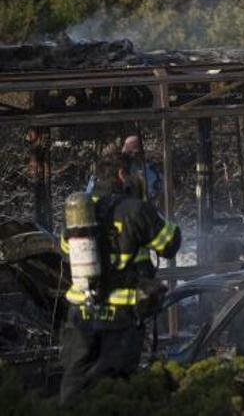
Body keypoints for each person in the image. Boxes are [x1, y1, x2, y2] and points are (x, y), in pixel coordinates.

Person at [59, 152, 181, 405]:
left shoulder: (81, 210)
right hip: (120, 316)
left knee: (75, 383)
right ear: (122, 174)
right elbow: (170, 244)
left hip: (80, 315)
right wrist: (148, 207)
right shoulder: (135, 209)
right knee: (116, 390)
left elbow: (65, 248)